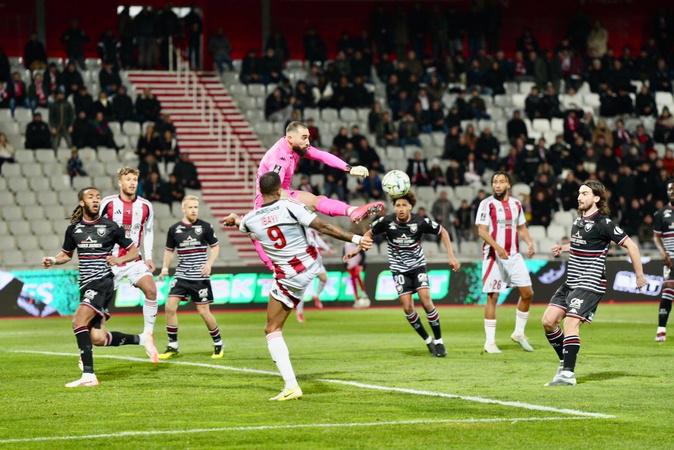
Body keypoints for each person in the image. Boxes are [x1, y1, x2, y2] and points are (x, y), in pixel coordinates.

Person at [222, 171, 373, 401]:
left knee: (272, 329)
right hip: (311, 265)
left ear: (261, 194)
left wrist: (235, 220)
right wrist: (356, 239)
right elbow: (323, 227)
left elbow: (244, 224)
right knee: (279, 319)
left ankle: (291, 386)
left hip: (290, 277)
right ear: (279, 190)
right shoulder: (290, 206)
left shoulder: (252, 218)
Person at [41, 187, 157, 387]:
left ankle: (89, 375)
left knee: (78, 321)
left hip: (102, 282)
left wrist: (119, 259)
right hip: (86, 285)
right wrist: (53, 259)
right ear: (82, 202)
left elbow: (134, 250)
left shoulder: (110, 226)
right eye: (90, 197)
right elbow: (66, 255)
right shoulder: (74, 230)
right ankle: (141, 339)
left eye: (98, 197)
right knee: (97, 337)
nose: (95, 200)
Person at [542, 180, 646, 386]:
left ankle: (568, 375)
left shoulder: (604, 223)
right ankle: (565, 361)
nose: (579, 197)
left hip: (590, 282)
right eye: (579, 193)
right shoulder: (577, 221)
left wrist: (640, 275)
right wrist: (563, 248)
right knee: (548, 321)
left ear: (596, 198)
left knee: (570, 322)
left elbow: (631, 246)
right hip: (571, 281)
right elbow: (583, 242)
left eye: (585, 193)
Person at [252, 121, 384, 270]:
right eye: (304, 138)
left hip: (280, 197)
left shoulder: (295, 147)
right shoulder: (279, 158)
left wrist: (349, 168)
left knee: (318, 206)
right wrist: (299, 206)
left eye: (308, 137)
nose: (308, 142)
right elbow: (273, 191)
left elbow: (322, 155)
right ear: (290, 138)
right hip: (270, 201)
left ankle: (352, 211)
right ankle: (273, 265)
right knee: (317, 211)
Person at [358, 191, 460, 356]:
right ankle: (428, 340)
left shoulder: (420, 221)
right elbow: (368, 234)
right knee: (407, 308)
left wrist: (451, 255)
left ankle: (439, 341)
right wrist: (356, 250)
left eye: (404, 205)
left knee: (426, 301)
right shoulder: (386, 221)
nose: (401, 208)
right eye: (398, 205)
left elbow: (443, 232)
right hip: (399, 270)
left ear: (411, 207)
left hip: (418, 267)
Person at [99, 167, 159, 361]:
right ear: (120, 182)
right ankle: (86, 351)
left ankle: (148, 334)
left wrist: (148, 256)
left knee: (151, 290)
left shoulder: (146, 206)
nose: (132, 183)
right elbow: (96, 227)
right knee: (97, 309)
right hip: (111, 261)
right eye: (128, 179)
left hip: (134, 260)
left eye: (134, 179)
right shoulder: (107, 203)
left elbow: (148, 231)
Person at [475, 172, 536, 354]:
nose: (498, 185)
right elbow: (482, 231)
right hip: (494, 255)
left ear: (508, 184)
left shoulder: (516, 204)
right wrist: (497, 247)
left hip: (514, 255)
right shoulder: (486, 204)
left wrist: (529, 242)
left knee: (527, 293)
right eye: (495, 182)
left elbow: (522, 227)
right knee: (493, 296)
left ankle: (518, 333)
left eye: (501, 181)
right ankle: (490, 342)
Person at [159, 196, 222, 359]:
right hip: (181, 275)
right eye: (191, 207)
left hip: (199, 276)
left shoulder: (205, 227)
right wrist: (165, 267)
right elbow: (169, 250)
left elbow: (215, 247)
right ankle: (173, 346)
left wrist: (209, 263)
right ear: (183, 209)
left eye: (196, 207)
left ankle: (218, 343)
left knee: (203, 311)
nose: (194, 210)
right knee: (169, 307)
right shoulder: (174, 229)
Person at [295, 228, 333, 322]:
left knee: (324, 278)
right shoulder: (295, 230)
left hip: (315, 260)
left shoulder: (311, 230)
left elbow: (318, 240)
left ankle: (316, 295)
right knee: (301, 289)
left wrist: (327, 249)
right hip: (304, 261)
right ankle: (299, 313)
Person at [652, 180, 674, 342]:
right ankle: (661, 329)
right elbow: (656, 237)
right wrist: (662, 253)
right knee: (668, 291)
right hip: (671, 259)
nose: (672, 191)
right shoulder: (661, 213)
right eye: (669, 189)